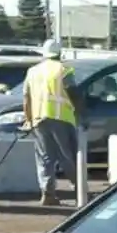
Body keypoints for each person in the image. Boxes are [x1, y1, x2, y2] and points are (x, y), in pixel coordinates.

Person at [23, 39, 83, 206]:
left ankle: (48, 193)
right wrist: (80, 112)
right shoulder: (63, 70)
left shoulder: (32, 71)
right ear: (59, 53)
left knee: (45, 157)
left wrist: (28, 119)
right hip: (61, 118)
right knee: (67, 156)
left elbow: (26, 98)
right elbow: (73, 92)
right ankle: (80, 191)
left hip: (38, 120)